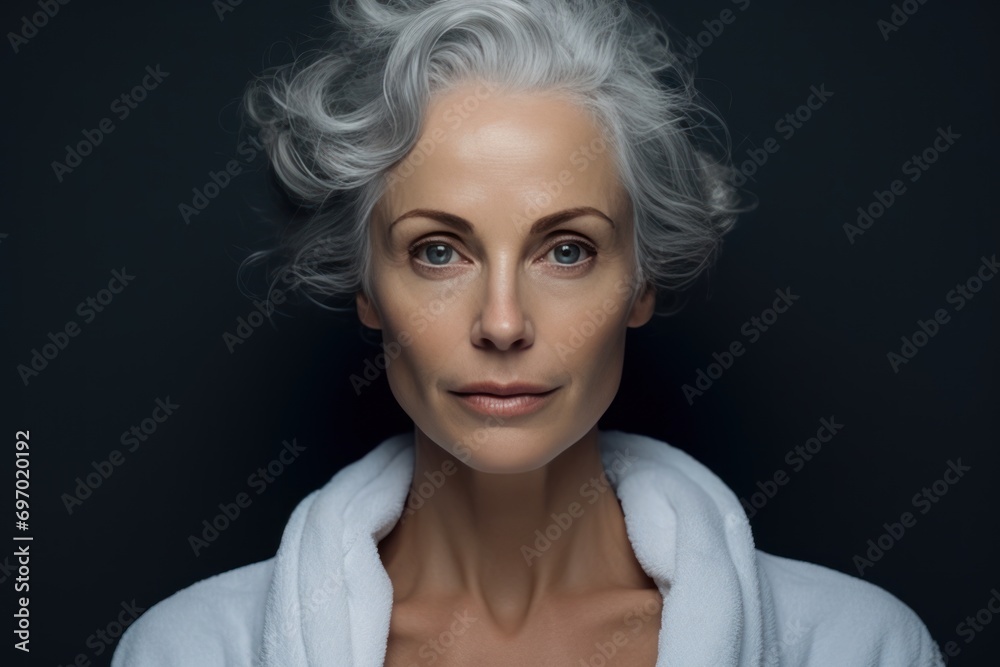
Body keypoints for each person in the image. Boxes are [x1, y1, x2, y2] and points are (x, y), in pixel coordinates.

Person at [112, 0, 944, 664]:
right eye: (438, 251)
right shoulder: (191, 649)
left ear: (640, 280)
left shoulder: (855, 644)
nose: (502, 322)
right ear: (367, 284)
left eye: (567, 249)